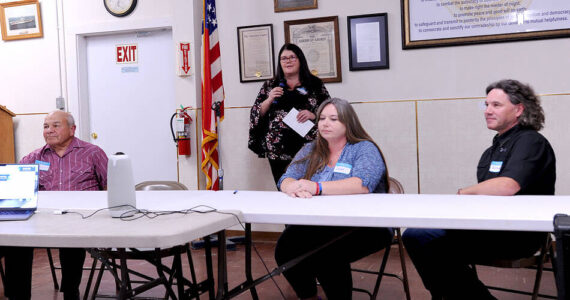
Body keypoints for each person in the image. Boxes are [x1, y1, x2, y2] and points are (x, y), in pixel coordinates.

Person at [402, 79, 556, 300]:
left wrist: (464, 193)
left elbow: (507, 185)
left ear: (519, 109)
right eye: (486, 105)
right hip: (488, 227)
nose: (487, 111)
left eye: (496, 105)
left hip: (517, 235)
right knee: (419, 235)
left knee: (423, 237)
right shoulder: (494, 149)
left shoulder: (531, 142)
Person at [274, 98, 393, 300]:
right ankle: (309, 296)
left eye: (333, 119)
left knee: (325, 255)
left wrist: (316, 187)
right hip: (321, 223)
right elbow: (286, 178)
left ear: (348, 123)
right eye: (321, 118)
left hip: (366, 226)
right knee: (285, 248)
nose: (325, 123)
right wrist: (291, 186)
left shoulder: (364, 148)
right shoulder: (311, 149)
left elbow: (362, 184)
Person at [2, 110, 108, 300]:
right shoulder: (32, 158)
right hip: (44, 220)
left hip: (82, 218)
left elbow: (111, 186)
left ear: (72, 129)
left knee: (70, 236)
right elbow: (18, 192)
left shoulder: (93, 153)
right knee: (17, 241)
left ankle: (70, 291)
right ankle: (18, 296)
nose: (49, 130)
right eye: (45, 126)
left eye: (55, 125)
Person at [248, 43, 330, 185]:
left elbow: (330, 111)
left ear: (300, 60)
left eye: (292, 57)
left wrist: (313, 115)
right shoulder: (270, 85)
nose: (288, 61)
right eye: (284, 58)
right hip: (278, 149)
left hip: (309, 148)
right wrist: (269, 99)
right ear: (280, 63)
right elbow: (256, 113)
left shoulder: (315, 84)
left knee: (308, 188)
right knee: (285, 189)